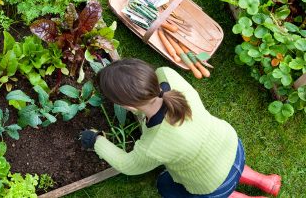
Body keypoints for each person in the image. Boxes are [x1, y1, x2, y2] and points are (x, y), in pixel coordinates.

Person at [79, 58, 281, 198]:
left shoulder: (154, 145)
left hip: (212, 183)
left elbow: (128, 165)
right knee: (224, 164)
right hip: (232, 147)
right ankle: (265, 181)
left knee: (165, 187)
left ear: (129, 107)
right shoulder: (168, 76)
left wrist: (96, 140)